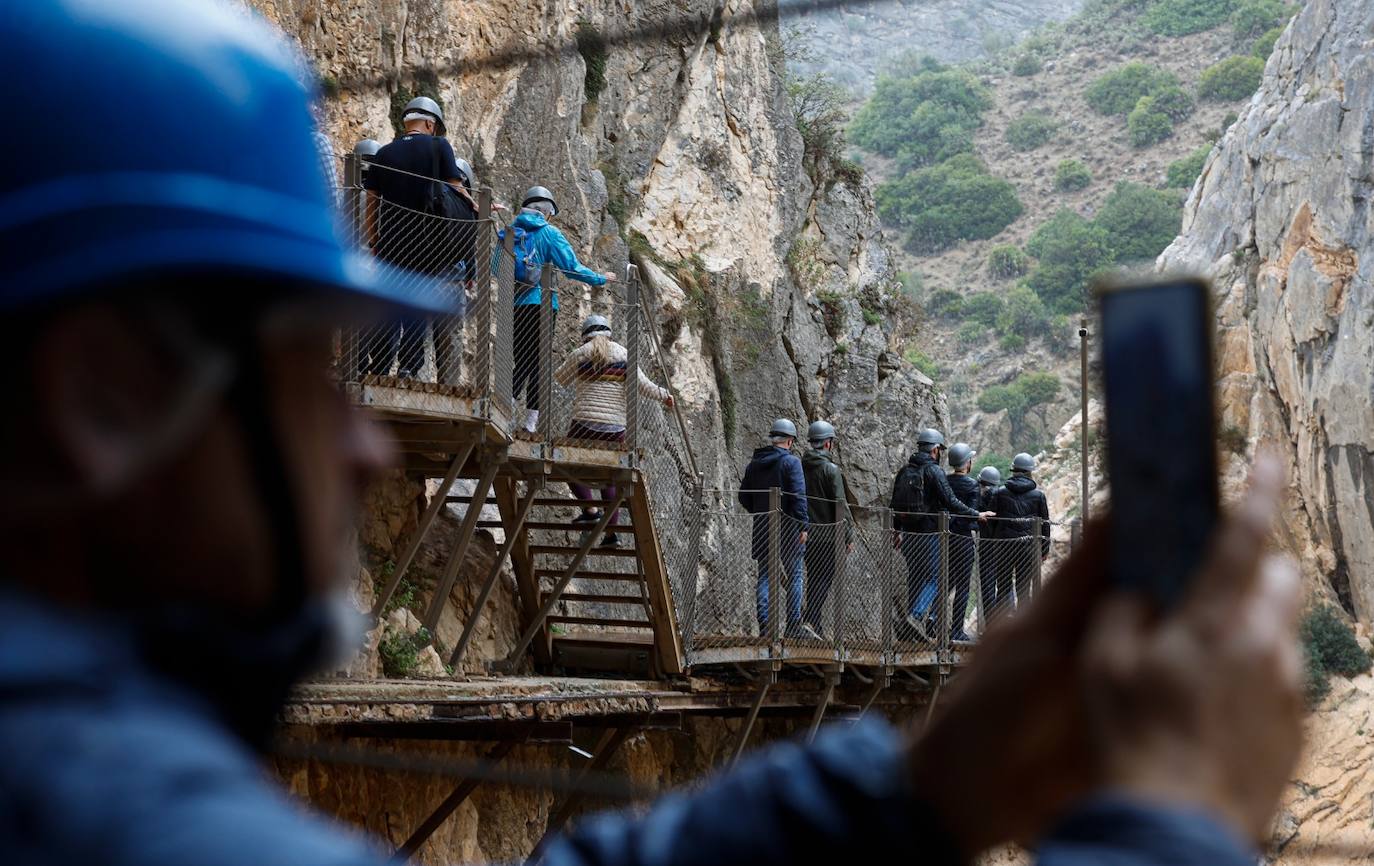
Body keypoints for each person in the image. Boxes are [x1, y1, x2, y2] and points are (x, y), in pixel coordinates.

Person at [2, 5, 1309, 866]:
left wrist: (917, 790)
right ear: (107, 394)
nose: (358, 448)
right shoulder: (107, 808)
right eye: (308, 375)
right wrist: (1172, 815)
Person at [362, 96, 476, 379]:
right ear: (430, 123)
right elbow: (456, 187)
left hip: (390, 241)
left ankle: (379, 366)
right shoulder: (439, 146)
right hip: (427, 242)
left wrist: (375, 239)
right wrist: (477, 206)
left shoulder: (384, 154)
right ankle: (409, 368)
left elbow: (372, 200)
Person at [555, 315, 673, 548]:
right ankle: (611, 535)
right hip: (615, 429)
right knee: (610, 476)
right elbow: (643, 385)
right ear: (609, 332)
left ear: (585, 334)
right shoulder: (624, 354)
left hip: (583, 426)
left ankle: (590, 510)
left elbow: (561, 379)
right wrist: (664, 395)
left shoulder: (580, 354)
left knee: (564, 464)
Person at [508, 186, 617, 433]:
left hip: (516, 304)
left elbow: (496, 267)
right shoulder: (549, 233)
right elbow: (571, 267)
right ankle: (530, 423)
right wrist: (600, 278)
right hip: (544, 306)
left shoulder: (512, 232)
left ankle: (505, 412)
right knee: (538, 363)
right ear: (546, 212)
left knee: (521, 360)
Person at [890, 428, 993, 642]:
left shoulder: (904, 471)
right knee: (936, 579)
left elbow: (895, 503)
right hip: (929, 533)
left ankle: (911, 629)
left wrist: (897, 530)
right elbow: (950, 501)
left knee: (916, 579)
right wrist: (977, 513)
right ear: (935, 450)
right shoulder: (933, 471)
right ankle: (916, 616)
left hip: (908, 534)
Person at [738, 420, 808, 638]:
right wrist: (803, 524)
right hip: (787, 527)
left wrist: (759, 510)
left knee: (766, 576)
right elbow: (798, 497)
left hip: (762, 526)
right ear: (789, 440)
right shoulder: (791, 463)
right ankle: (793, 625)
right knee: (795, 574)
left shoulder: (754, 464)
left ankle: (765, 625)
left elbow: (743, 496)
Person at [800, 420, 851, 640]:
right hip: (829, 536)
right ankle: (811, 620)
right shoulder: (831, 469)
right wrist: (848, 535)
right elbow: (840, 504)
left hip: (806, 534)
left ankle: (814, 624)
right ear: (828, 443)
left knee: (813, 578)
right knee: (824, 579)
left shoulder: (800, 466)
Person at [989, 452, 1053, 618]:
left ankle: (1000, 629)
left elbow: (991, 520)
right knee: (1024, 590)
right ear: (1029, 472)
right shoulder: (1038, 496)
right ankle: (1022, 630)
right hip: (1028, 548)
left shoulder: (1000, 492)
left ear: (1014, 471)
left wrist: (995, 540)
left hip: (1003, 547)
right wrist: (1044, 550)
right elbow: (1045, 524)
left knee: (1002, 588)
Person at [944, 443, 981, 643]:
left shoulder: (945, 481)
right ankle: (956, 630)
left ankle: (934, 621)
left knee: (944, 583)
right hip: (964, 539)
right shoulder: (973, 485)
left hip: (945, 537)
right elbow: (972, 516)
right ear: (967, 462)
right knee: (963, 587)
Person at [976, 464, 1005, 623]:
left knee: (987, 586)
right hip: (1002, 546)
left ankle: (990, 623)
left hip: (986, 545)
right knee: (1004, 583)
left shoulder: (979, 498)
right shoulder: (1003, 496)